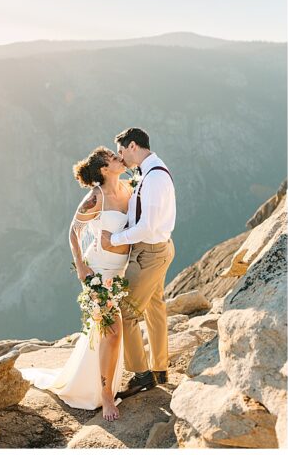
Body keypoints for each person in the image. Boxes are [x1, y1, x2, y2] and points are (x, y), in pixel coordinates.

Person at [20, 147, 132, 421]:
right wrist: (82, 268)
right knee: (113, 332)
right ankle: (106, 397)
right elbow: (73, 231)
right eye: (114, 158)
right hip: (98, 272)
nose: (121, 159)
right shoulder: (95, 198)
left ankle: (95, 383)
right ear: (105, 169)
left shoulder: (129, 189)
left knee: (107, 333)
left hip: (120, 272)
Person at [102, 127, 176, 399]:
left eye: (121, 151)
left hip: (149, 253)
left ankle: (141, 375)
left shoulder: (154, 177)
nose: (120, 157)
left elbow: (147, 226)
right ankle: (159, 367)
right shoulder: (150, 170)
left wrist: (116, 239)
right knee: (155, 306)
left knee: (127, 312)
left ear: (133, 146)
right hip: (158, 249)